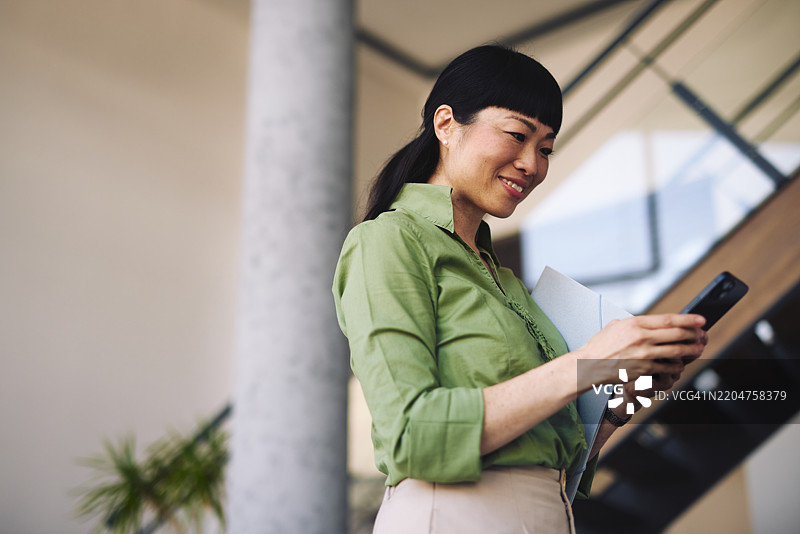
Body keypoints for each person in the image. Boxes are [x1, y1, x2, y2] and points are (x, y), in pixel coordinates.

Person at [332, 45, 707, 534]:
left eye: (547, 148)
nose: (532, 164)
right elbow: (413, 435)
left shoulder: (504, 280)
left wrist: (615, 406)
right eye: (517, 135)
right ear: (446, 124)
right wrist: (588, 363)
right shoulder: (389, 240)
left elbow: (552, 453)